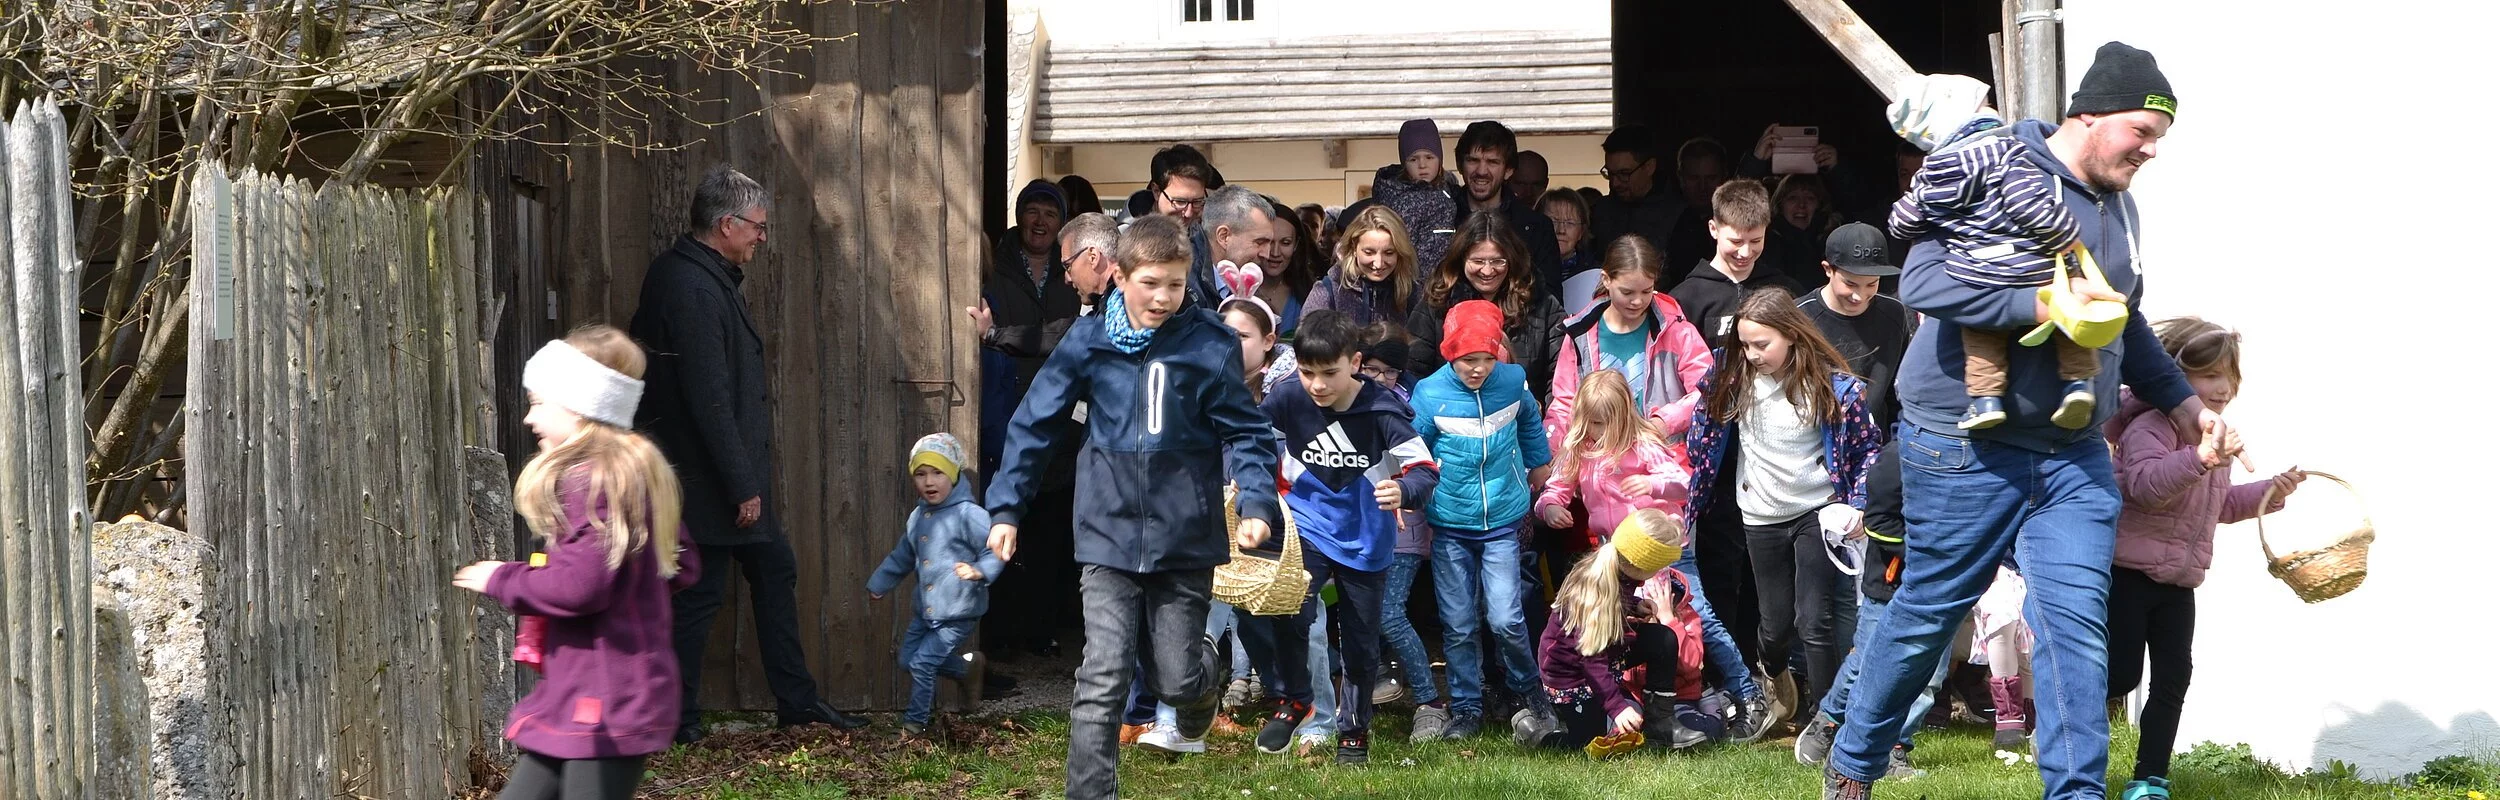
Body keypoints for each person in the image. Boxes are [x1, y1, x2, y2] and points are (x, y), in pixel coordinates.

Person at [1821, 43, 2232, 800]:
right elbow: (1924, 279)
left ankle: (2074, 792)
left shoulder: (2121, 206)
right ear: (2090, 114)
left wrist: (2186, 405)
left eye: (2158, 139)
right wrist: (2042, 306)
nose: (2149, 150)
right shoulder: (1992, 162)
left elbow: (2125, 318)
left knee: (2076, 629)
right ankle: (1853, 762)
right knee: (1923, 620)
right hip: (1961, 441)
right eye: (2141, 131)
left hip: (2074, 453)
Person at [984, 214, 1282, 800]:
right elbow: (1033, 425)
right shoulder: (1087, 341)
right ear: (1118, 276)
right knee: (1102, 676)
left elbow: (1247, 433)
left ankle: (1200, 681)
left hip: (1184, 534)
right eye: (1150, 283)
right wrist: (1005, 510)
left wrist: (1256, 502)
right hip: (1107, 532)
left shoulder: (1209, 342)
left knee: (1175, 677)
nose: (1164, 297)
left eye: (1175, 283)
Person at [631, 166, 862, 741]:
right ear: (726, 225)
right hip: (703, 479)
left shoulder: (700, 277)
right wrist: (742, 487)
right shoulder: (689, 287)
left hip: (713, 475)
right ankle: (676, 720)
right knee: (697, 597)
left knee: (770, 569)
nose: (762, 237)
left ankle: (796, 702)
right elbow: (708, 401)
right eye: (757, 227)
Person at [457, 328, 699, 800]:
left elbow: (579, 587)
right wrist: (635, 591)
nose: (529, 418)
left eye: (539, 403)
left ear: (581, 407)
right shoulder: (635, 476)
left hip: (604, 700)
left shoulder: (594, 483)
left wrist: (501, 576)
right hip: (584, 692)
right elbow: (684, 565)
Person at [2105, 317, 2294, 800]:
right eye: (2210, 375)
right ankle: (2068, 737)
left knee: (2172, 679)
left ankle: (2150, 779)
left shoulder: (2215, 439)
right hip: (2129, 574)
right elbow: (2146, 488)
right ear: (2174, 377)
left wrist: (2268, 493)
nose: (2224, 387)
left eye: (2230, 376)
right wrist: (2202, 458)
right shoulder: (2153, 425)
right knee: (2122, 674)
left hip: (2180, 581)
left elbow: (2219, 506)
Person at [1243, 310, 1441, 764]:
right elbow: (1250, 440)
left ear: (1354, 362)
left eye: (1328, 373)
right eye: (1308, 373)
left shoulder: (1382, 409)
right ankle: (1295, 699)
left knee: (1360, 643)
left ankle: (1354, 732)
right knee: (1288, 605)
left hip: (1366, 539)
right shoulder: (1287, 396)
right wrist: (1246, 480)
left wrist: (1402, 489)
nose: (1317, 385)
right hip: (1306, 525)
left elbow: (1425, 471)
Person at [1683, 289, 1883, 734]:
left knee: (1816, 619)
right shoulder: (1730, 377)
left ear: (1791, 336)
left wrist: (1859, 506)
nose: (1753, 354)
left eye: (1762, 344)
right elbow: (1701, 442)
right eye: (1745, 344)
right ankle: (1772, 671)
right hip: (1759, 513)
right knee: (1775, 627)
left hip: (1818, 510)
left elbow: (1868, 450)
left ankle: (1828, 719)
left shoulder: (1833, 388)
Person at [1890, 109, 2097, 432]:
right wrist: (2066, 237)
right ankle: (2079, 386)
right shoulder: (2010, 159)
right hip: (2034, 267)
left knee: (1980, 333)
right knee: (2069, 320)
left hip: (1982, 273)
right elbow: (2031, 207)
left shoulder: (1934, 174)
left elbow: (1903, 222)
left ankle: (1986, 400)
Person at [1409, 300, 1557, 742]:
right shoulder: (1430, 393)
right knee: (1457, 624)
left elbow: (1530, 420)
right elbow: (1412, 449)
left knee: (1508, 618)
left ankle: (1530, 694)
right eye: (1467, 361)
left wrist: (1538, 463)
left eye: (1486, 360)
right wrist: (1406, 493)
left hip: (1502, 521)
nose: (1477, 370)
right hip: (1451, 522)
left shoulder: (1512, 382)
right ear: (1449, 354)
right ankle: (1467, 707)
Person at [970, 181, 1086, 662]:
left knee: (1052, 526)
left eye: (1049, 213)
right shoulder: (994, 265)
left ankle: (1043, 627)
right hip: (1007, 401)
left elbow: (1065, 334)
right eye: (1030, 212)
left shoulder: (1070, 271)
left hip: (1067, 414)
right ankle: (1001, 631)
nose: (1039, 221)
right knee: (1004, 517)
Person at [1792, 441, 1953, 780]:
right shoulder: (1897, 457)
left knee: (1929, 675)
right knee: (1866, 663)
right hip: (1889, 584)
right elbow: (1878, 523)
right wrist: (1924, 554)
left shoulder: (1969, 460)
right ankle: (1829, 721)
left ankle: (1895, 748)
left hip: (1940, 589)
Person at [865, 433, 1005, 738]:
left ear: (953, 475)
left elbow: (996, 547)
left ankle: (914, 725)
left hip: (959, 610)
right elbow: (903, 555)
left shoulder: (970, 515)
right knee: (907, 660)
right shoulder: (918, 517)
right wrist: (880, 583)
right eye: (921, 474)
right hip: (926, 612)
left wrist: (980, 570)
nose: (929, 481)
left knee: (923, 663)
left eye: (938, 472)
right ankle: (967, 670)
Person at [1535, 510, 1698, 754]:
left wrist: (1634, 605)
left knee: (1663, 639)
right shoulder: (1593, 591)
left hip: (1607, 651)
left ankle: (1660, 724)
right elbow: (1591, 660)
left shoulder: (1618, 567)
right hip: (1572, 673)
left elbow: (1617, 604)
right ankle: (1537, 735)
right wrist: (1617, 707)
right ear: (1640, 565)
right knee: (1587, 744)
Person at [1543, 236, 1711, 467]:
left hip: (1660, 464)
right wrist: (1550, 454)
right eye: (1627, 292)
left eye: (1646, 291)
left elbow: (1708, 389)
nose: (1637, 301)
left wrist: (1664, 423)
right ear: (1606, 280)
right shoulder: (1580, 332)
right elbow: (1565, 403)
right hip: (1598, 466)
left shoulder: (1677, 329)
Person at [1406, 211, 1566, 402]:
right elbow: (1413, 374)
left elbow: (1561, 375)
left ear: (1512, 259)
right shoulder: (1437, 304)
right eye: (1478, 261)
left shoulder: (1540, 303)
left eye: (1498, 261)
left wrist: (1546, 422)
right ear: (1461, 259)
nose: (1488, 270)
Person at [1796, 223, 1917, 430]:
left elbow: (1898, 390)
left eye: (1872, 284)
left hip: (1873, 445)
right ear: (1828, 269)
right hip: (1811, 444)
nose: (1859, 296)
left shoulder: (1895, 313)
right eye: (1850, 284)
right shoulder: (1799, 316)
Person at [1669, 179, 1804, 345]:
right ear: (1713, 229)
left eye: (1756, 241)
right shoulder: (1686, 299)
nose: (1745, 252)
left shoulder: (1786, 290)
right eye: (1736, 242)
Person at [1454, 121, 1561, 297]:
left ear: (1509, 170)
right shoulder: (1442, 216)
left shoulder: (1536, 227)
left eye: (1492, 162)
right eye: (1473, 160)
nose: (1481, 171)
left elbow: (1549, 300)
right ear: (1460, 165)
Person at [1347, 118, 1460, 280]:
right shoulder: (1405, 202)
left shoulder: (1447, 187)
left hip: (1444, 280)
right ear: (1404, 163)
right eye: (1413, 159)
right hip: (1420, 285)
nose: (1422, 165)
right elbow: (1402, 251)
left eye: (1429, 157)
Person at [1303, 206, 1420, 330]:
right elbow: (1307, 342)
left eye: (1389, 253)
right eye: (1369, 252)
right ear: (1354, 248)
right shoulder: (1328, 290)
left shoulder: (1410, 292)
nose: (1378, 264)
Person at [1588, 124, 1679, 265]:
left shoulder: (1678, 216)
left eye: (1624, 174)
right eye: (1610, 174)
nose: (1615, 183)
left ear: (1649, 167)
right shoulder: (1599, 212)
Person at [1193, 185, 1277, 310]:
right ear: (1224, 236)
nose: (1267, 254)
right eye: (1259, 242)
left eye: (1269, 243)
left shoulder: (1248, 278)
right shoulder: (1183, 280)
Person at [1663, 138, 1736, 273]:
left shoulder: (1733, 216)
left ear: (1724, 177)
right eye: (1694, 178)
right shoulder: (1666, 218)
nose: (1702, 187)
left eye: (1711, 178)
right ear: (1681, 177)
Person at [1764, 173, 1839, 291]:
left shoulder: (1833, 241)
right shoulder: (1766, 242)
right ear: (1780, 205)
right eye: (1792, 198)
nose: (1801, 205)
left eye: (1810, 198)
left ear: (1820, 205)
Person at [1258, 199, 1319, 334]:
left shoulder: (1310, 292)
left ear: (1296, 245)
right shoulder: (1237, 290)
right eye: (1268, 242)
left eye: (1285, 243)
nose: (1275, 252)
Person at [1123, 144, 1218, 225]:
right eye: (1180, 202)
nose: (1189, 213)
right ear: (1156, 191)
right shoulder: (1125, 239)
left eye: (1197, 202)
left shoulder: (1208, 234)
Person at [1540, 189, 1599, 312]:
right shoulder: (1525, 270)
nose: (1561, 230)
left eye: (1570, 223)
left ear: (1581, 232)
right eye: (1553, 221)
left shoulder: (1596, 275)